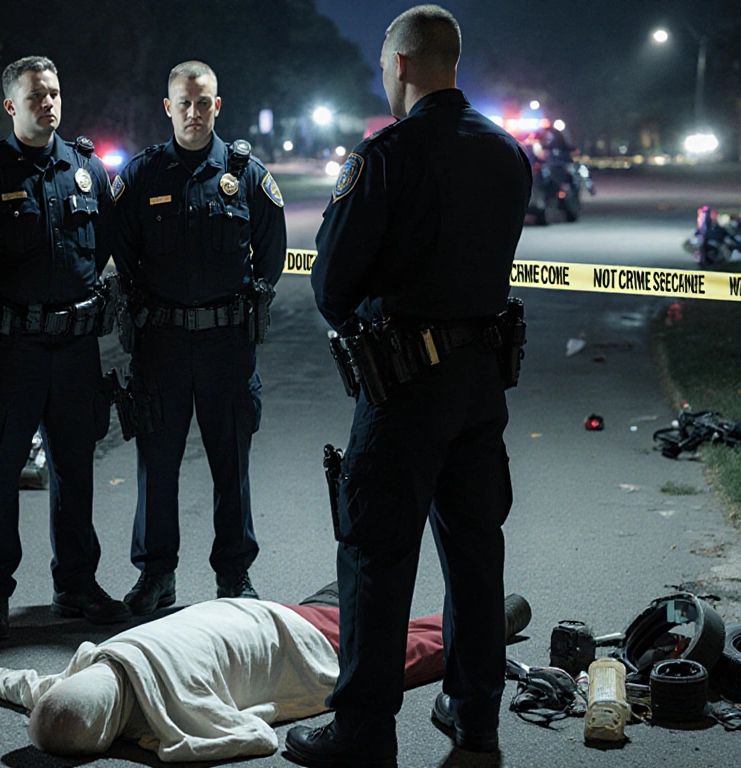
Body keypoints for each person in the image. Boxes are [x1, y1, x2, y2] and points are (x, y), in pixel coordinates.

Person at [286, 6, 532, 764]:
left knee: (374, 556)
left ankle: (362, 731)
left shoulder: (387, 155)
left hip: (402, 389)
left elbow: (331, 283)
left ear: (400, 64)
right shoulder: (507, 154)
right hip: (480, 383)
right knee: (474, 552)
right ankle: (474, 713)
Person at [0, 56, 128, 640]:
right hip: (10, 349)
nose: (48, 102)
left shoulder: (85, 170)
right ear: (10, 106)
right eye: (36, 95)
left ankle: (75, 585)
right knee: (0, 473)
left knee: (75, 471)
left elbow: (103, 247)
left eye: (54, 91)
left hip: (74, 350)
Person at [0, 586, 530, 762]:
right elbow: (52, 692)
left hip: (297, 646)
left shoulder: (179, 710)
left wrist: (168, 748)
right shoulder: (104, 661)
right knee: (350, 599)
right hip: (253, 616)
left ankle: (502, 614)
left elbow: (261, 738)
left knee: (420, 646)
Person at [111, 60, 287, 614]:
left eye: (203, 101)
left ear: (218, 105)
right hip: (160, 346)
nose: (193, 112)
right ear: (168, 108)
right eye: (183, 103)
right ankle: (156, 576)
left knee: (230, 464)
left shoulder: (248, 175)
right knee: (156, 465)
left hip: (226, 346)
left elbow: (273, 250)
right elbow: (123, 250)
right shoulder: (142, 175)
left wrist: (244, 301)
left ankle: (234, 576)